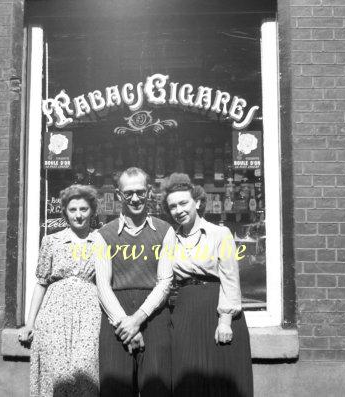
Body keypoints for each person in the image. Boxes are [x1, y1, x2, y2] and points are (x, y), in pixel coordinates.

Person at [161, 173, 253, 397]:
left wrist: (225, 320)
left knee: (221, 380)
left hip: (217, 309)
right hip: (185, 311)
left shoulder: (220, 234)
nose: (179, 210)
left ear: (198, 202)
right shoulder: (170, 238)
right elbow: (163, 280)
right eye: (173, 206)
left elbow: (230, 278)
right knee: (188, 379)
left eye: (183, 203)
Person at [94, 167, 174, 397]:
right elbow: (102, 285)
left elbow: (165, 281)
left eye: (140, 191)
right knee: (115, 387)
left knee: (157, 386)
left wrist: (137, 320)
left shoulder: (165, 231)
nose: (135, 198)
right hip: (115, 317)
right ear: (119, 195)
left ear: (149, 192)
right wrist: (124, 324)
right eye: (128, 193)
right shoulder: (104, 234)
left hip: (155, 315)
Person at [18, 184, 101, 397]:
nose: (78, 215)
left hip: (89, 314)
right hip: (53, 314)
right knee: (56, 373)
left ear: (92, 210)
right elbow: (41, 282)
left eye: (83, 209)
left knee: (86, 370)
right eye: (73, 210)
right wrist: (30, 323)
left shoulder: (100, 241)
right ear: (65, 212)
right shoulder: (51, 241)